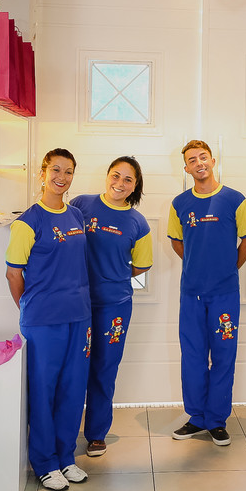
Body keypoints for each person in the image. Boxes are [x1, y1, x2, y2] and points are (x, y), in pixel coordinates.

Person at [5, 148, 91, 491]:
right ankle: (44, 462)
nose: (62, 177)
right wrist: (30, 307)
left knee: (72, 390)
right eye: (56, 170)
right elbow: (13, 275)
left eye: (68, 172)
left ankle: (66, 457)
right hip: (43, 321)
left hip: (79, 317)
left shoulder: (77, 217)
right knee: (43, 391)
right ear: (43, 173)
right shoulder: (28, 222)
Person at [167, 140, 246, 446]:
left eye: (203, 157)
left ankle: (216, 420)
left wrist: (227, 268)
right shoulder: (179, 204)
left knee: (223, 356)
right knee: (192, 357)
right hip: (191, 294)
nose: (199, 163)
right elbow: (177, 242)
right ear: (186, 168)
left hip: (225, 294)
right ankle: (196, 418)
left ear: (213, 160)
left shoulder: (235, 200)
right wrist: (197, 265)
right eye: (192, 160)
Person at [70, 157, 153, 458]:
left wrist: (112, 275)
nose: (120, 183)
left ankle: (96, 433)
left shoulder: (137, 223)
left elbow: (141, 265)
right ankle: (64, 432)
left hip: (114, 307)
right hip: (75, 303)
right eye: (115, 175)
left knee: (104, 369)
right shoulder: (82, 204)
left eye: (128, 179)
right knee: (73, 368)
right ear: (106, 176)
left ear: (135, 186)